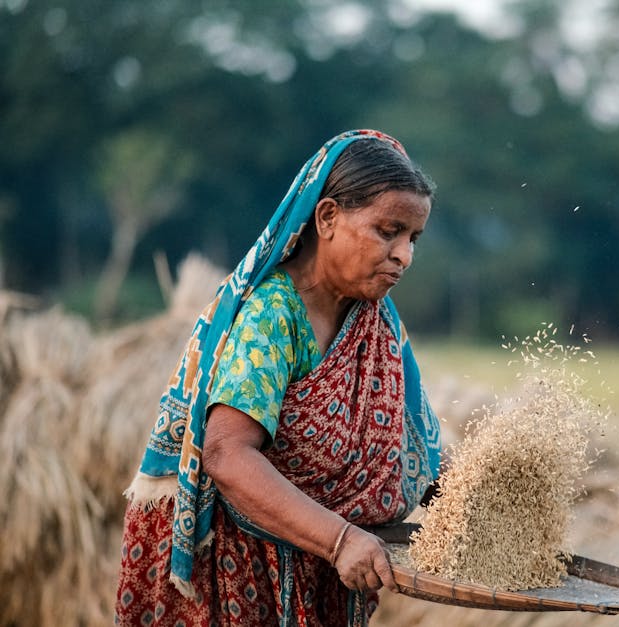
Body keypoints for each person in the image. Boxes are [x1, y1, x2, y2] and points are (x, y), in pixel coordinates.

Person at [115, 130, 442, 626]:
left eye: (413, 238)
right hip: (239, 573)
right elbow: (227, 453)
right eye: (387, 231)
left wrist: (480, 499)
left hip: (320, 577)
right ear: (328, 217)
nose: (404, 256)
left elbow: (406, 451)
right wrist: (340, 539)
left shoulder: (376, 323)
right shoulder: (274, 314)